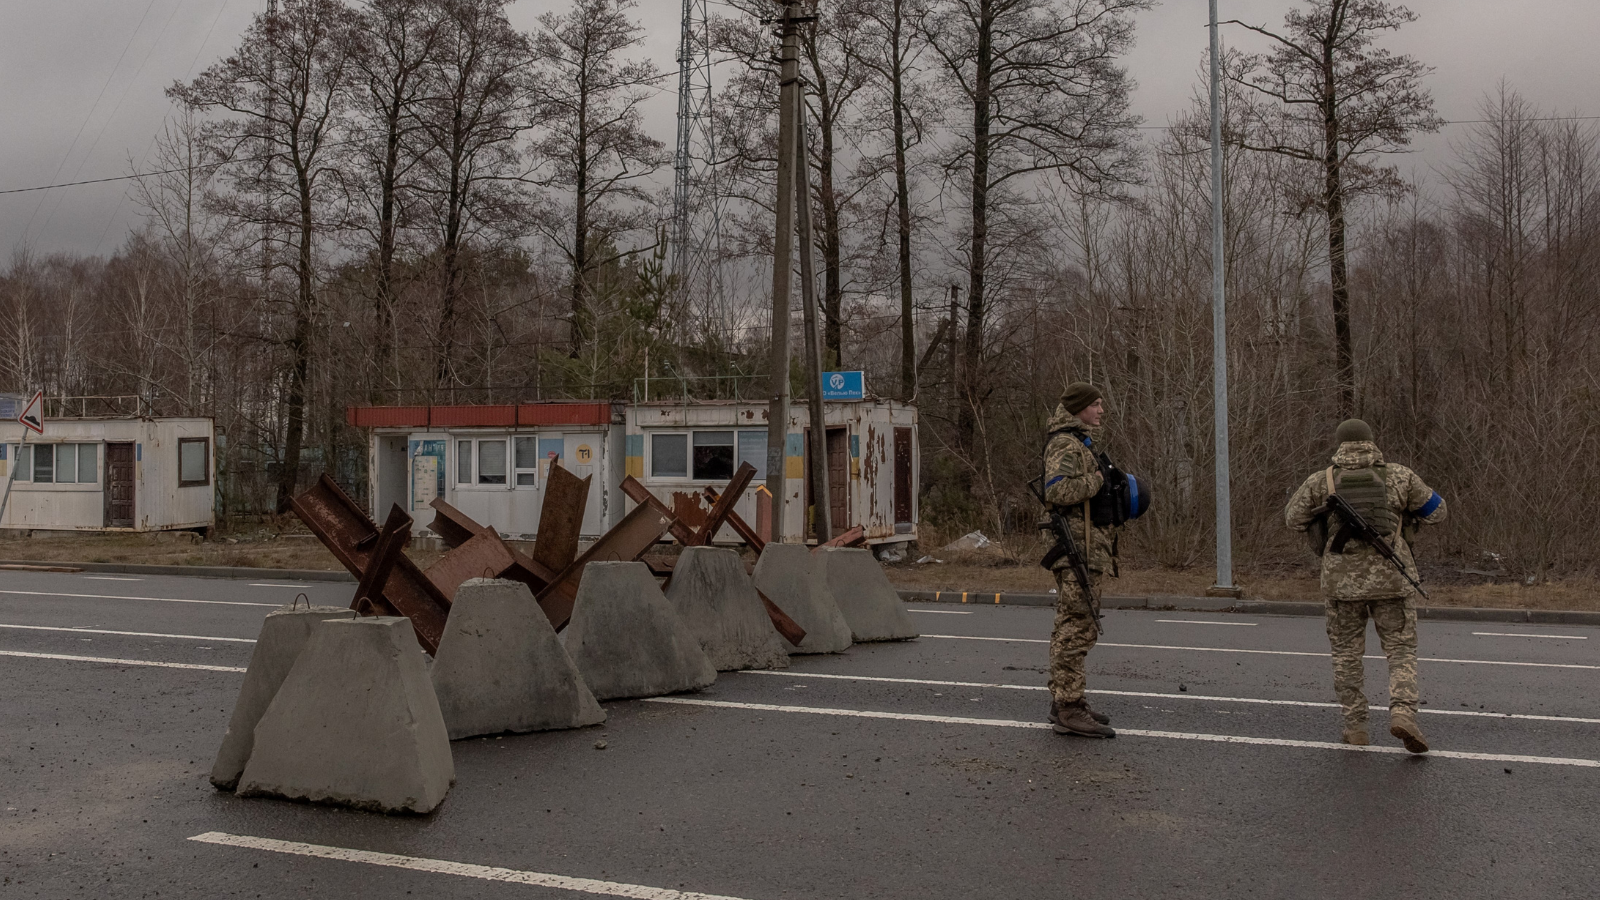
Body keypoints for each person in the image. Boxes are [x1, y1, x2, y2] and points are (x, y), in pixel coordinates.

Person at [1285, 418, 1447, 753]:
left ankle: (1355, 727)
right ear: (1372, 442)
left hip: (1341, 585)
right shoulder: (1400, 475)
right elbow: (1438, 511)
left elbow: (1292, 518)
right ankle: (1403, 713)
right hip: (1393, 579)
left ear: (1339, 444)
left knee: (1346, 655)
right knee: (1401, 651)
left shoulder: (1322, 480)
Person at [1040, 382, 1118, 738]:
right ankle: (1069, 708)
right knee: (1076, 626)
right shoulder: (1064, 444)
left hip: (1086, 546)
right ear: (1079, 408)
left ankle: (1066, 699)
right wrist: (1098, 479)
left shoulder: (1077, 441)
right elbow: (1055, 490)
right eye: (1096, 404)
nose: (1101, 410)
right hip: (1075, 547)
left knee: (1073, 623)